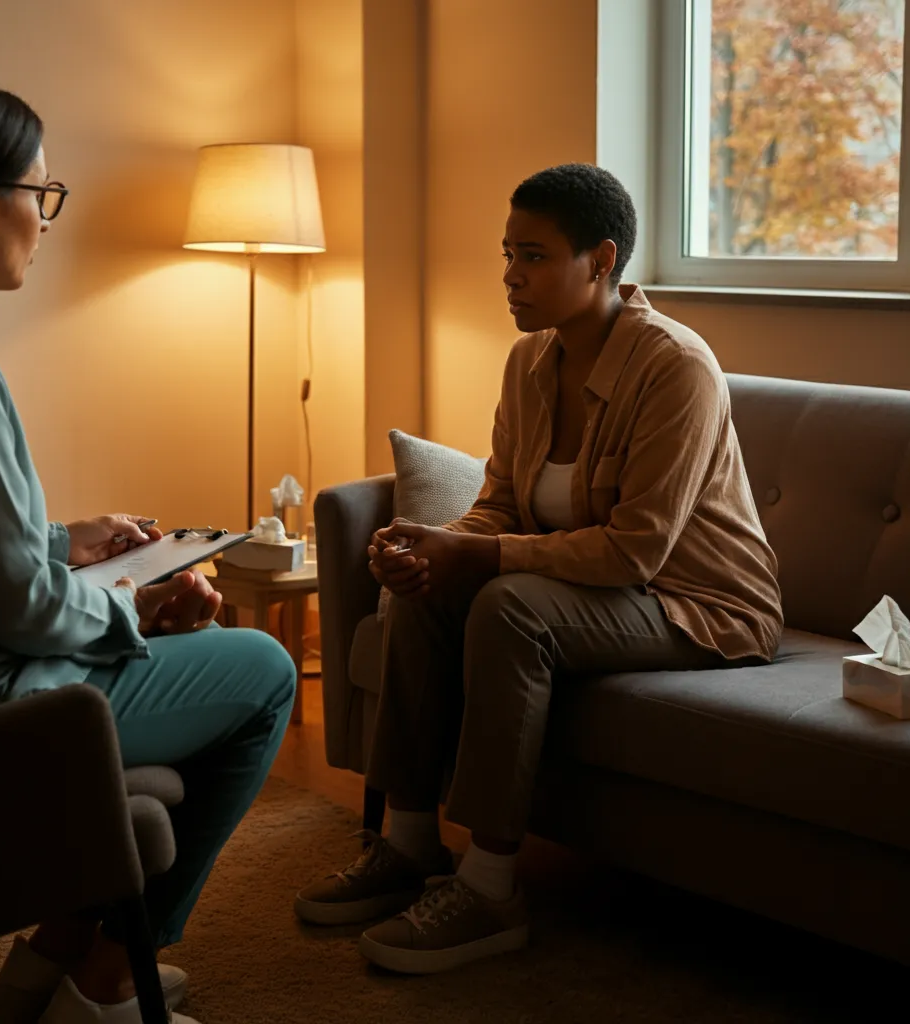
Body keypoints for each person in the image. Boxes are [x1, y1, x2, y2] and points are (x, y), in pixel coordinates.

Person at [295, 163, 783, 974]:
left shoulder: (676, 368)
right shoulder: (529, 364)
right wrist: (432, 545)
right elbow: (501, 507)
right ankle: (410, 846)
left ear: (600, 260)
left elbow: (637, 549)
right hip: (601, 592)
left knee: (511, 605)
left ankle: (491, 891)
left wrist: (477, 555)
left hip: (697, 604)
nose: (510, 277)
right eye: (506, 254)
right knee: (428, 591)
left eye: (533, 256)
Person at [0, 74, 297, 1024]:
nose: (47, 216)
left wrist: (62, 541)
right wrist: (136, 606)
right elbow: (16, 609)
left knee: (186, 673)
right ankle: (110, 982)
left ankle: (54, 959)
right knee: (265, 671)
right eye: (43, 193)